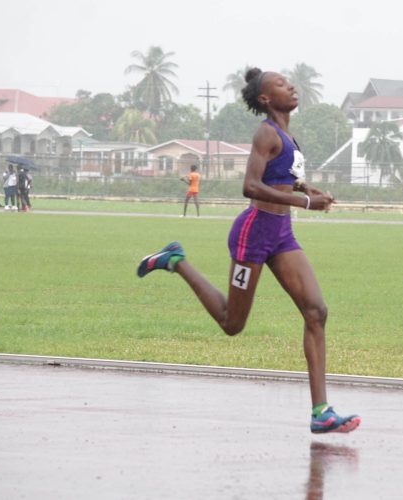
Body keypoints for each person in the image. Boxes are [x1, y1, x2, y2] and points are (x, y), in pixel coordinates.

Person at [137, 68, 360, 434]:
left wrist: (311, 191)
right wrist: (305, 201)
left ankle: (321, 412)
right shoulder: (266, 133)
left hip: (282, 234)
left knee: (316, 311)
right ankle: (176, 260)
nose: (291, 86)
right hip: (253, 235)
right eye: (280, 84)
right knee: (232, 324)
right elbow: (251, 186)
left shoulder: (289, 137)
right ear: (265, 99)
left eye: (290, 81)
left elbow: (288, 179)